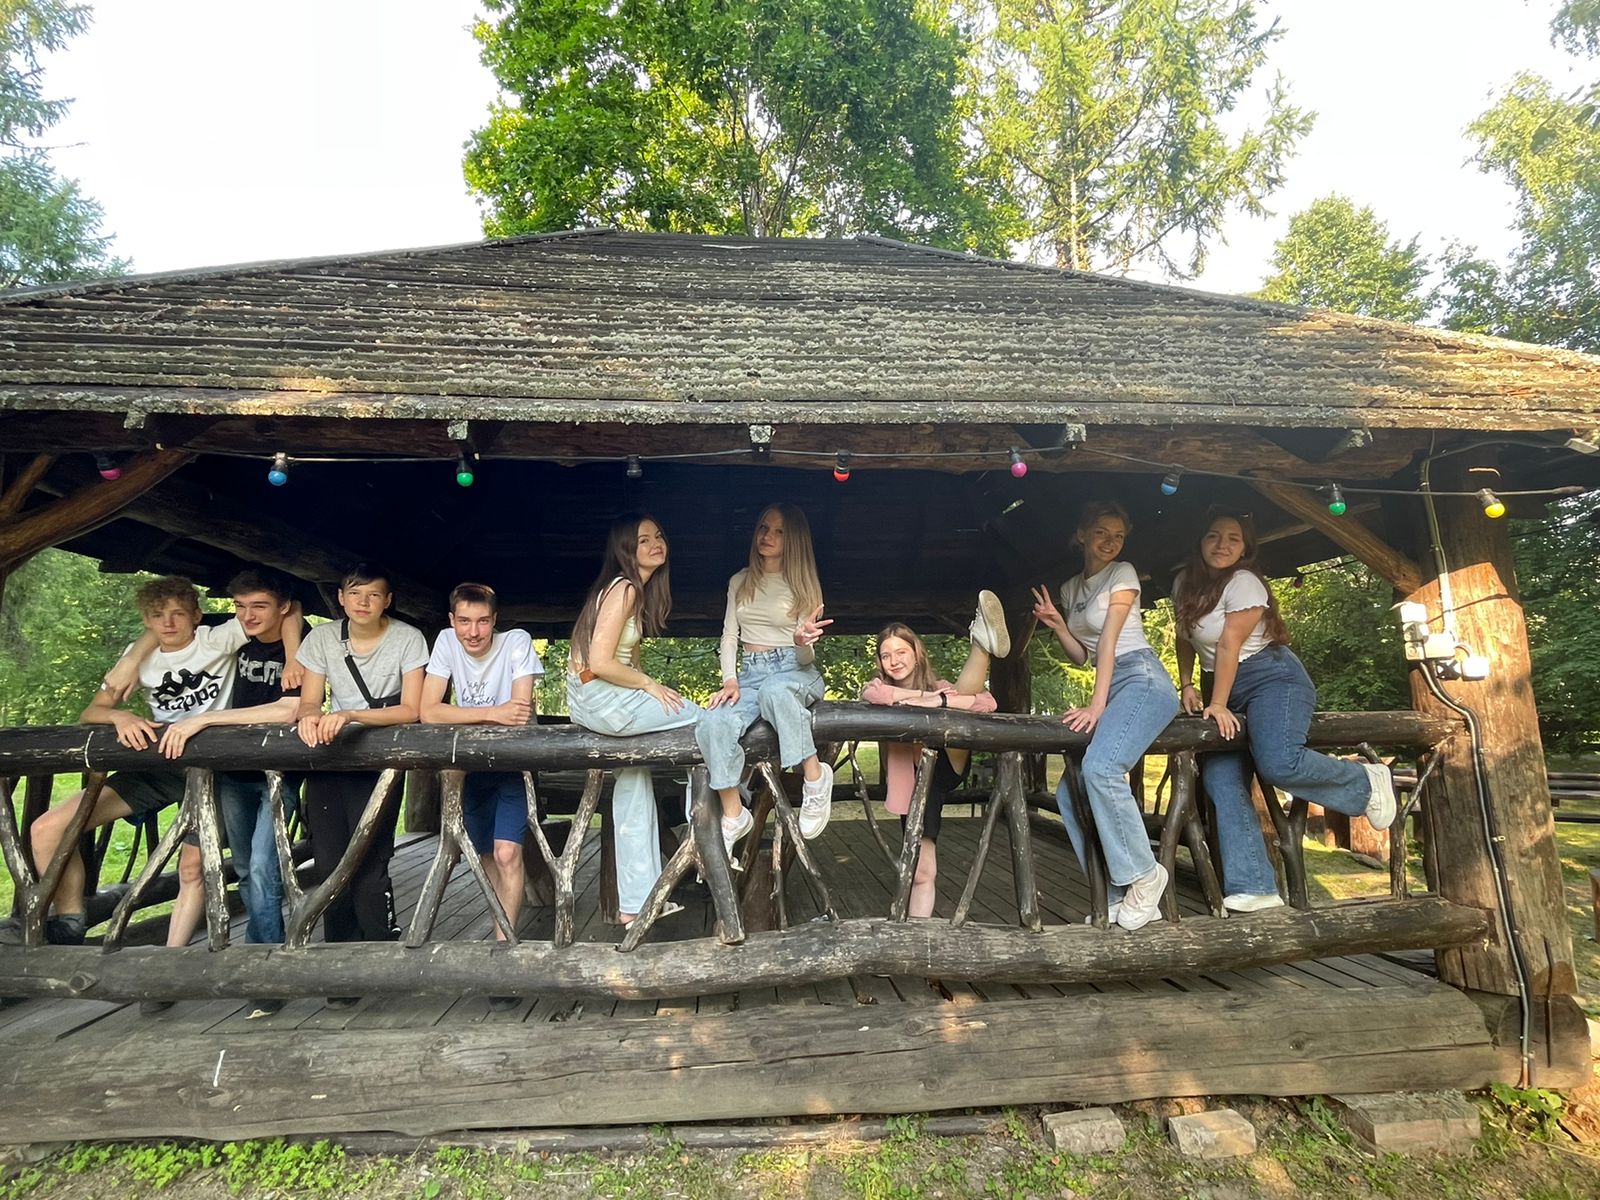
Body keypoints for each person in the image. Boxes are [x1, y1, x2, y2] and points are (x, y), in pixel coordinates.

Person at [101, 566, 307, 1016]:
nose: (248, 615)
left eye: (259, 606)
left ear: (282, 607)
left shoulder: (298, 638)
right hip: (230, 776)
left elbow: (290, 706)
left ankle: (266, 969)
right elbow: (164, 626)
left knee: (262, 866)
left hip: (277, 774)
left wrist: (204, 720)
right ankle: (259, 959)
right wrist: (132, 659)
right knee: (247, 870)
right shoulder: (227, 632)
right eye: (240, 606)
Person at [0, 576, 247, 950]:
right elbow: (92, 712)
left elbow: (287, 610)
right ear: (146, 620)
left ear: (196, 615)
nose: (168, 622)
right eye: (157, 615)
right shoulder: (138, 656)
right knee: (47, 829)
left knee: (192, 867)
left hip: (213, 771)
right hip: (158, 765)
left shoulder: (217, 640)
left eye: (178, 613)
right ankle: (70, 923)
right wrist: (121, 717)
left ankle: (170, 958)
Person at [1173, 511, 1398, 913]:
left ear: (1245, 548)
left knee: (1278, 762)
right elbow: (1184, 637)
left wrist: (1218, 703)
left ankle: (1365, 780)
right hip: (1220, 682)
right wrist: (1188, 685)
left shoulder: (1244, 582)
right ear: (1199, 541)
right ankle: (1255, 886)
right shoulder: (1184, 583)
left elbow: (1228, 645)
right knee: (1220, 779)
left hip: (1271, 677)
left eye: (1233, 538)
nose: (1222, 545)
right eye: (1213, 535)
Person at [1031, 500, 1178, 931]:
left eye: (1119, 535)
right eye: (1102, 533)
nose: (1111, 542)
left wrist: (1097, 706)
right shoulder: (1071, 589)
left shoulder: (1123, 573)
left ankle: (1146, 875)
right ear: (1082, 534)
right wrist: (1059, 625)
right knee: (1069, 790)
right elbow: (1083, 655)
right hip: (1111, 682)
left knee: (1101, 768)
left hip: (1142, 678)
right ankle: (1118, 893)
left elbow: (1110, 642)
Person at [566, 514, 701, 927]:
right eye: (643, 540)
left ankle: (636, 901)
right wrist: (649, 685)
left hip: (595, 698)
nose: (656, 543)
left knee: (634, 779)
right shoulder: (623, 588)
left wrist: (646, 684)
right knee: (706, 720)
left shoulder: (634, 593)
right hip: (599, 696)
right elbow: (600, 662)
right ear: (626, 549)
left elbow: (626, 663)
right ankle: (710, 820)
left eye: (659, 536)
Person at [294, 564, 427, 973]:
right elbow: (309, 700)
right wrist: (309, 717)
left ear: (388, 601)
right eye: (354, 594)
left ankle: (380, 948)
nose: (363, 603)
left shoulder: (408, 638)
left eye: (373, 595)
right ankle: (339, 957)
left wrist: (351, 715)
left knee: (370, 858)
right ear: (340, 598)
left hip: (380, 759)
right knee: (329, 860)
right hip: (332, 757)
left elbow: (411, 709)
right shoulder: (321, 639)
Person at [696, 503, 835, 863]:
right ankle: (733, 813)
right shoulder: (739, 581)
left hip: (795, 671)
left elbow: (806, 657)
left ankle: (815, 777)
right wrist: (730, 680)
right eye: (763, 528)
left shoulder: (804, 584)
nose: (767, 536)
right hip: (750, 674)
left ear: (794, 540)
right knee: (712, 721)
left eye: (779, 531)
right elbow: (729, 636)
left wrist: (801, 642)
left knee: (775, 692)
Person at [859, 595, 1009, 918]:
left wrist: (940, 702)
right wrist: (925, 698)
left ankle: (981, 645)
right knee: (922, 871)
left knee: (959, 707)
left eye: (901, 652)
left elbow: (987, 703)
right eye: (886, 655)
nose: (894, 661)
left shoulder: (940, 686)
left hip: (947, 762)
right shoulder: (881, 687)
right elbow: (875, 694)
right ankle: (919, 931)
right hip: (915, 784)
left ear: (917, 654)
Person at [420, 581, 542, 956]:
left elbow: (519, 713)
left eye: (483, 621)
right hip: (471, 769)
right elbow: (428, 711)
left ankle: (505, 945)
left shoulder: (517, 641)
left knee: (507, 853)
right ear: (451, 620)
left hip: (513, 765)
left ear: (495, 620)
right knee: (486, 856)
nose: (473, 632)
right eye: (464, 621)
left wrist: (462, 716)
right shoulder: (445, 642)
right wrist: (492, 712)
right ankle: (500, 928)